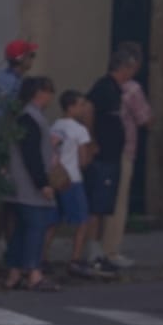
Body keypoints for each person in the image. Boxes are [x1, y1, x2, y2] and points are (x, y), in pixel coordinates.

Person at [0, 39, 37, 276]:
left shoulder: (8, 80)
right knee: (4, 204)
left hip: (4, 146)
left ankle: (4, 256)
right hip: (4, 148)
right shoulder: (9, 84)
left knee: (8, 205)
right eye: (31, 56)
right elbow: (2, 118)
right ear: (22, 59)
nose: (33, 60)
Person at [81, 47, 140, 274]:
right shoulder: (105, 87)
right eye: (131, 69)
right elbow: (88, 109)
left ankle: (100, 250)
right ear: (124, 67)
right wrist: (91, 140)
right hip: (104, 155)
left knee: (105, 204)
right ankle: (93, 251)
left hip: (113, 154)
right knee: (97, 204)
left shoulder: (116, 89)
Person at [5, 76, 60, 292]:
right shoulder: (31, 118)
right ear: (41, 93)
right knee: (36, 227)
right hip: (30, 185)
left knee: (20, 229)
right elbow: (32, 154)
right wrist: (43, 183)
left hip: (19, 184)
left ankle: (14, 272)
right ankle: (34, 273)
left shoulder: (22, 116)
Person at [99, 43, 152, 267]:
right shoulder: (132, 90)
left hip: (104, 148)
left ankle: (98, 247)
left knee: (103, 199)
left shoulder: (105, 86)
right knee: (119, 201)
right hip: (124, 149)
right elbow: (145, 119)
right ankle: (111, 250)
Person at [50, 89, 98, 278]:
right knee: (82, 221)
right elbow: (83, 159)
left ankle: (42, 257)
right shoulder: (80, 130)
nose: (83, 109)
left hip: (56, 178)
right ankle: (75, 259)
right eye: (80, 105)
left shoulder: (54, 126)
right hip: (73, 178)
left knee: (53, 221)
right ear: (71, 107)